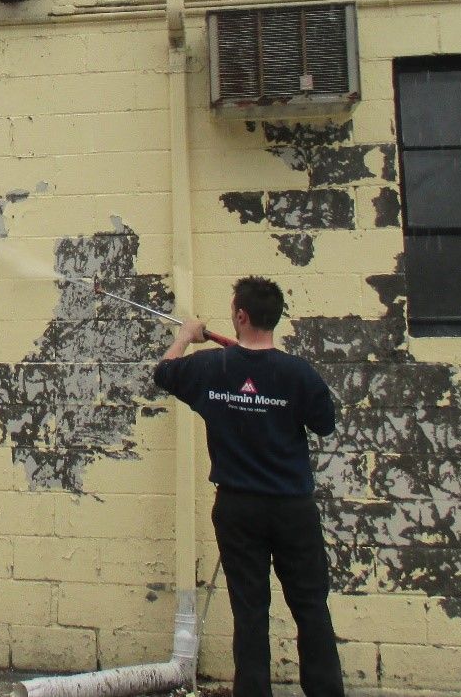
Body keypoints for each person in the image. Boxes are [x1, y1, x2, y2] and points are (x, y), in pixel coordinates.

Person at [153, 276, 344, 697]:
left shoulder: (211, 367)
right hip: (292, 508)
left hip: (238, 508)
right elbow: (325, 424)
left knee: (250, 611)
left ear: (240, 316)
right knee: (311, 607)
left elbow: (164, 372)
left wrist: (185, 336)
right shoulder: (299, 373)